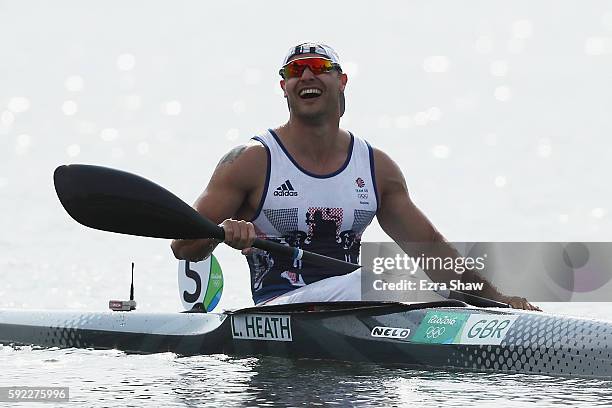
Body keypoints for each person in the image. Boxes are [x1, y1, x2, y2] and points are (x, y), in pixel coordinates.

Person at [171, 42, 540, 311]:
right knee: (391, 278)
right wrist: (222, 235)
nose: (307, 76)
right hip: (282, 307)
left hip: (358, 305)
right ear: (283, 87)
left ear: (342, 80)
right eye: (295, 72)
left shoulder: (376, 167)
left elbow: (430, 247)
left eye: (318, 66)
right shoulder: (251, 162)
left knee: (416, 281)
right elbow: (182, 246)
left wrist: (498, 301)